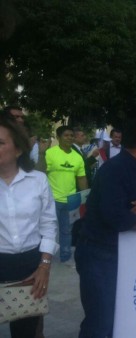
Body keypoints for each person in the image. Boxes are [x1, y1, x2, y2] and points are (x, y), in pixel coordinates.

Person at [75, 118, 136, 338]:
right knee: (99, 321)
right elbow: (116, 216)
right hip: (98, 254)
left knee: (120, 317)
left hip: (126, 255)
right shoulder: (114, 170)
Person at [0, 117, 58, 338]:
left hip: (29, 265)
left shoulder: (38, 181)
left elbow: (48, 224)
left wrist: (44, 265)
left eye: (0, 143)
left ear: (17, 150)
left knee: (25, 329)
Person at [41, 126, 87, 263]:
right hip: (51, 200)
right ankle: (44, 256)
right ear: (58, 137)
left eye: (71, 135)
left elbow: (82, 178)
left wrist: (84, 198)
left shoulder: (77, 157)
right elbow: (42, 174)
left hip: (70, 201)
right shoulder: (49, 153)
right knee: (47, 229)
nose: (70, 138)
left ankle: (65, 256)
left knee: (67, 230)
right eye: (66, 135)